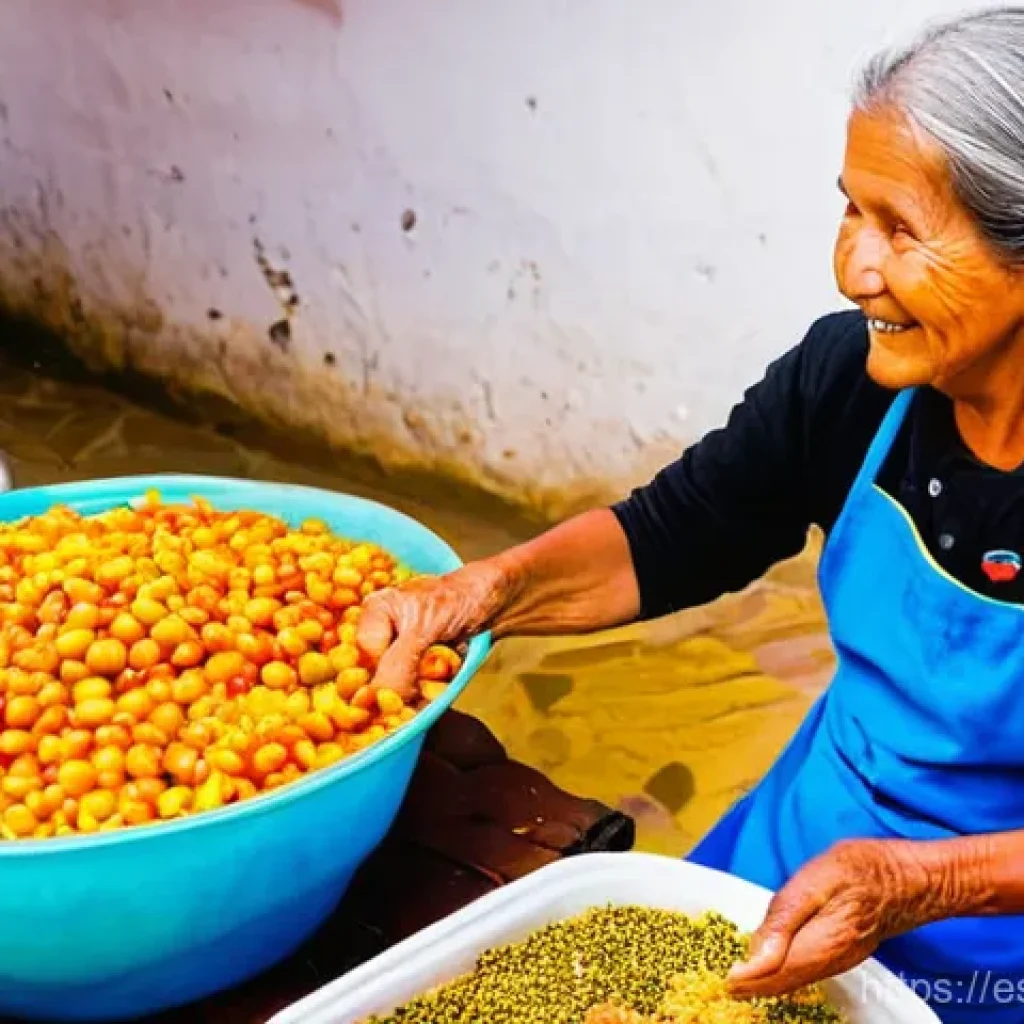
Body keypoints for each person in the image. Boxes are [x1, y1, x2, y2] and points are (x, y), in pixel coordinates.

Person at [356, 9, 1024, 1022]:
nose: (854, 268)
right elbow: (674, 532)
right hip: (804, 859)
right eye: (850, 211)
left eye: (900, 229)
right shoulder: (852, 381)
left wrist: (928, 880)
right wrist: (485, 593)